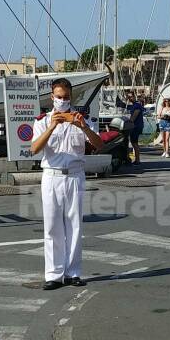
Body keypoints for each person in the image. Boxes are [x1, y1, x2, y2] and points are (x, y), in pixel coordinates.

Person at [31, 78, 104, 290]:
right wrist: (52, 126)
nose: (63, 101)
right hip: (51, 175)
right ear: (52, 97)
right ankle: (53, 274)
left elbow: (99, 145)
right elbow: (34, 149)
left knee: (74, 225)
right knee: (52, 226)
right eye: (59, 97)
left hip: (74, 175)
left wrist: (83, 127)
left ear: (71, 97)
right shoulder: (43, 120)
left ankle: (73, 273)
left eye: (66, 97)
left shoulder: (82, 119)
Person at [125, 94, 144, 164]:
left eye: (130, 97)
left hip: (136, 127)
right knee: (133, 143)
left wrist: (129, 121)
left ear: (134, 97)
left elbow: (134, 117)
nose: (129, 98)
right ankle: (135, 159)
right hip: (135, 126)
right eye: (128, 97)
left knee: (134, 143)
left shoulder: (137, 105)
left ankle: (137, 160)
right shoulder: (133, 105)